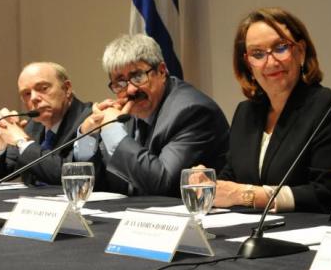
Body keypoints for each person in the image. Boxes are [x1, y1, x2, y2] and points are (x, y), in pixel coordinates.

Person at [208, 7, 331, 213]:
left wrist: (248, 196)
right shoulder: (245, 112)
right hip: (245, 233)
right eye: (257, 54)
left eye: (280, 48)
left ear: (301, 51)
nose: (270, 61)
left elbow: (327, 193)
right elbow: (232, 177)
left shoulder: (329, 107)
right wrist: (208, 185)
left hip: (302, 234)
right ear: (248, 64)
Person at [73, 34, 229, 196]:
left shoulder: (192, 112)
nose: (131, 90)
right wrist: (87, 137)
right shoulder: (126, 113)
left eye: (138, 76)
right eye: (120, 82)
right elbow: (91, 187)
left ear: (161, 71)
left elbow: (163, 185)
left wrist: (113, 130)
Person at [0, 62, 93, 185]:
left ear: (66, 88)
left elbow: (74, 176)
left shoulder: (90, 120)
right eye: (27, 94)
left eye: (43, 88)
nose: (34, 98)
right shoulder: (31, 125)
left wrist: (22, 142)